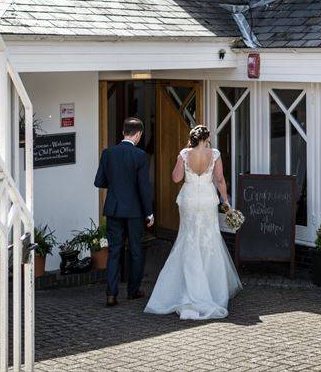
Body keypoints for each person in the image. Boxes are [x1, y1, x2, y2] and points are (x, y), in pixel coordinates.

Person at [144, 125, 242, 320]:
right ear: (206, 139)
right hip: (206, 199)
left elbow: (176, 178)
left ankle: (187, 288)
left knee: (188, 239)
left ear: (192, 138)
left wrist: (181, 162)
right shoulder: (214, 154)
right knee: (209, 238)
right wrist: (226, 202)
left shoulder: (184, 153)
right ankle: (212, 289)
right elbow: (220, 179)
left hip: (189, 199)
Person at [94, 117, 154, 307]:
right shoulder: (140, 155)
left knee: (114, 251)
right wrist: (149, 213)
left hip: (113, 208)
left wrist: (115, 184)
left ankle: (111, 295)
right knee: (136, 251)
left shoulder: (108, 153)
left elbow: (98, 182)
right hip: (135, 211)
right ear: (138, 134)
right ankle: (133, 291)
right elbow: (144, 187)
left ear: (123, 132)